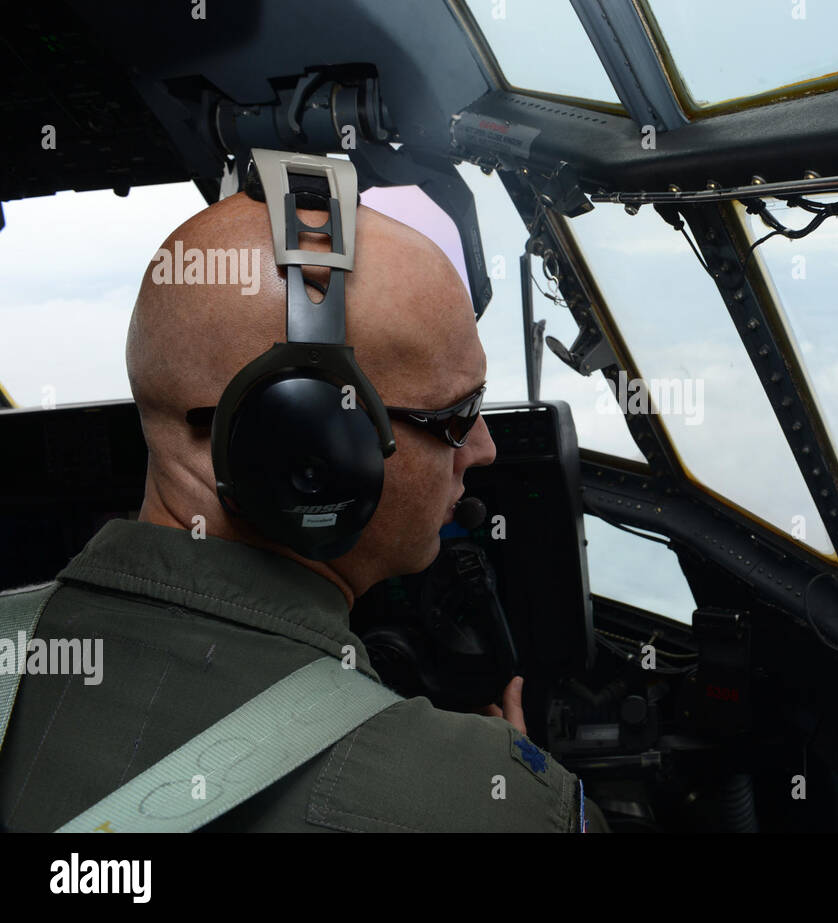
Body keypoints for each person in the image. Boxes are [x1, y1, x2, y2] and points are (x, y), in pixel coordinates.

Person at [0, 188, 605, 832]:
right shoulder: (479, 802)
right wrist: (506, 785)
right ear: (302, 443)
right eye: (453, 417)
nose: (481, 448)